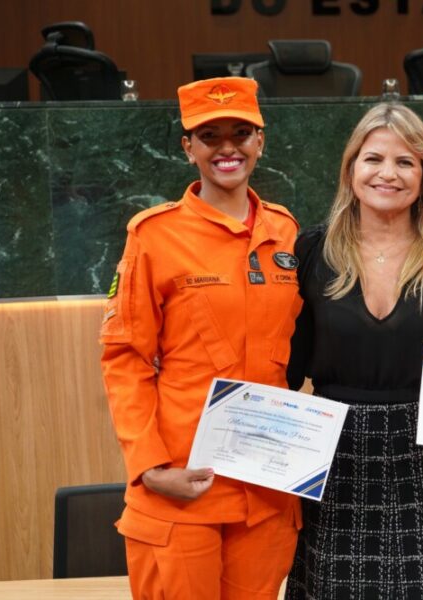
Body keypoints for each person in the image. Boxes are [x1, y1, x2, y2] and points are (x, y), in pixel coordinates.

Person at [100, 77, 303, 599]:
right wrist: (149, 467)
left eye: (241, 133)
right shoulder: (154, 235)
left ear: (261, 141)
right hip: (183, 484)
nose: (227, 148)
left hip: (265, 489)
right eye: (210, 136)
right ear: (188, 148)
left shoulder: (287, 232)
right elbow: (125, 359)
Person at [284, 103, 423, 599]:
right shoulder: (310, 251)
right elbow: (286, 363)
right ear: (351, 168)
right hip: (334, 455)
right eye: (373, 159)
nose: (388, 174)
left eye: (405, 162)